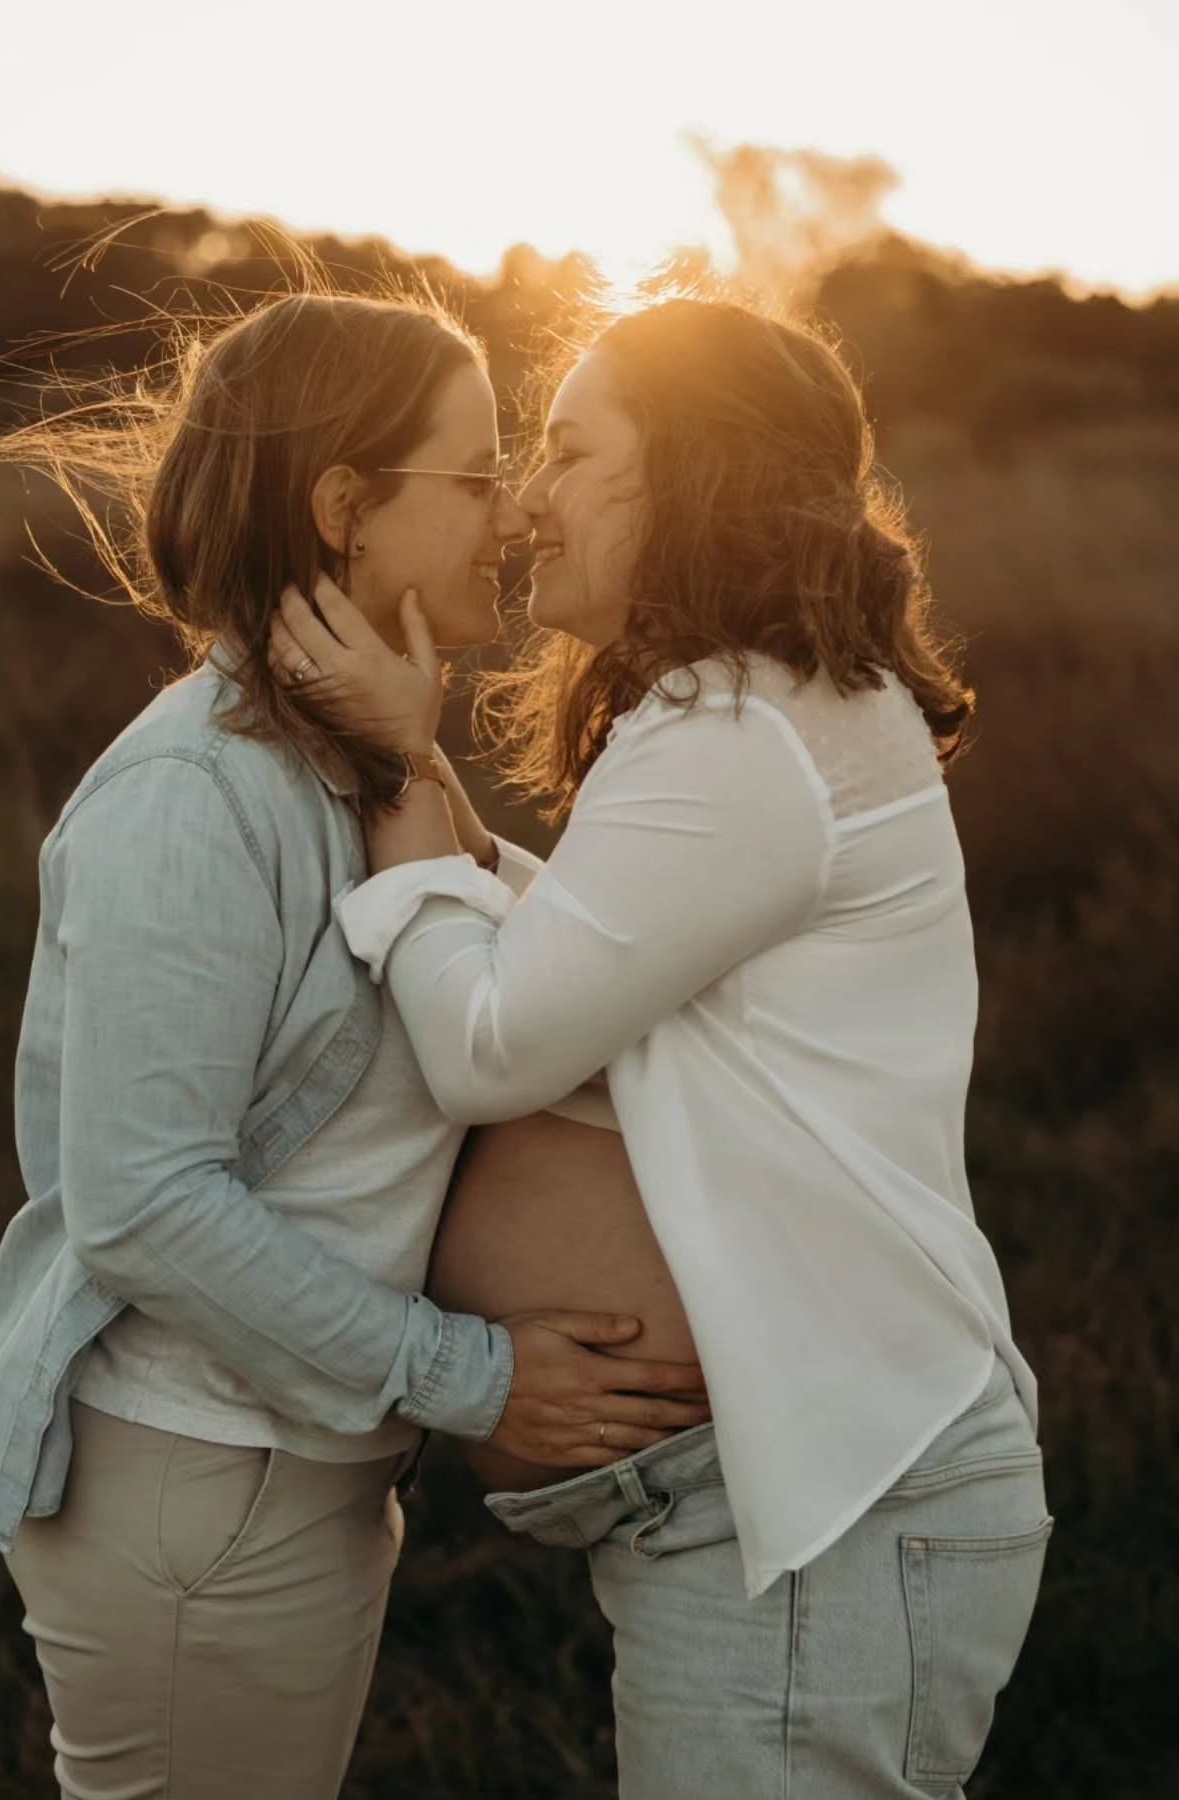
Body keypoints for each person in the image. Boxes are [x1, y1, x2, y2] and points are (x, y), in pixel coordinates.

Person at [0, 289, 709, 1800]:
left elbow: (555, 962)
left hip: (281, 1479)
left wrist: (412, 756)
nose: (511, 514)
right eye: (473, 475)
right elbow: (142, 1203)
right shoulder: (194, 799)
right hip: (197, 1489)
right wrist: (475, 1378)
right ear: (344, 509)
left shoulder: (354, 768)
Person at [270, 294, 1052, 1799]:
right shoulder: (762, 711)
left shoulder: (745, 729)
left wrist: (393, 803)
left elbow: (493, 1048)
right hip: (819, 1494)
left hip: (829, 1508)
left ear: (690, 474)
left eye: (570, 450)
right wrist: (428, 791)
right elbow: (600, 953)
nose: (527, 498)